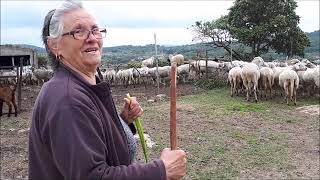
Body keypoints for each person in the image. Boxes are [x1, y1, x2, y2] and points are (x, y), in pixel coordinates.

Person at [28, 0, 187, 179]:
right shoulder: (68, 99)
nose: (92, 38)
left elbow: (94, 139)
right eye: (78, 31)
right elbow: (94, 176)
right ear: (54, 45)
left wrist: (124, 120)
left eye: (95, 30)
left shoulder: (86, 84)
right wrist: (161, 170)